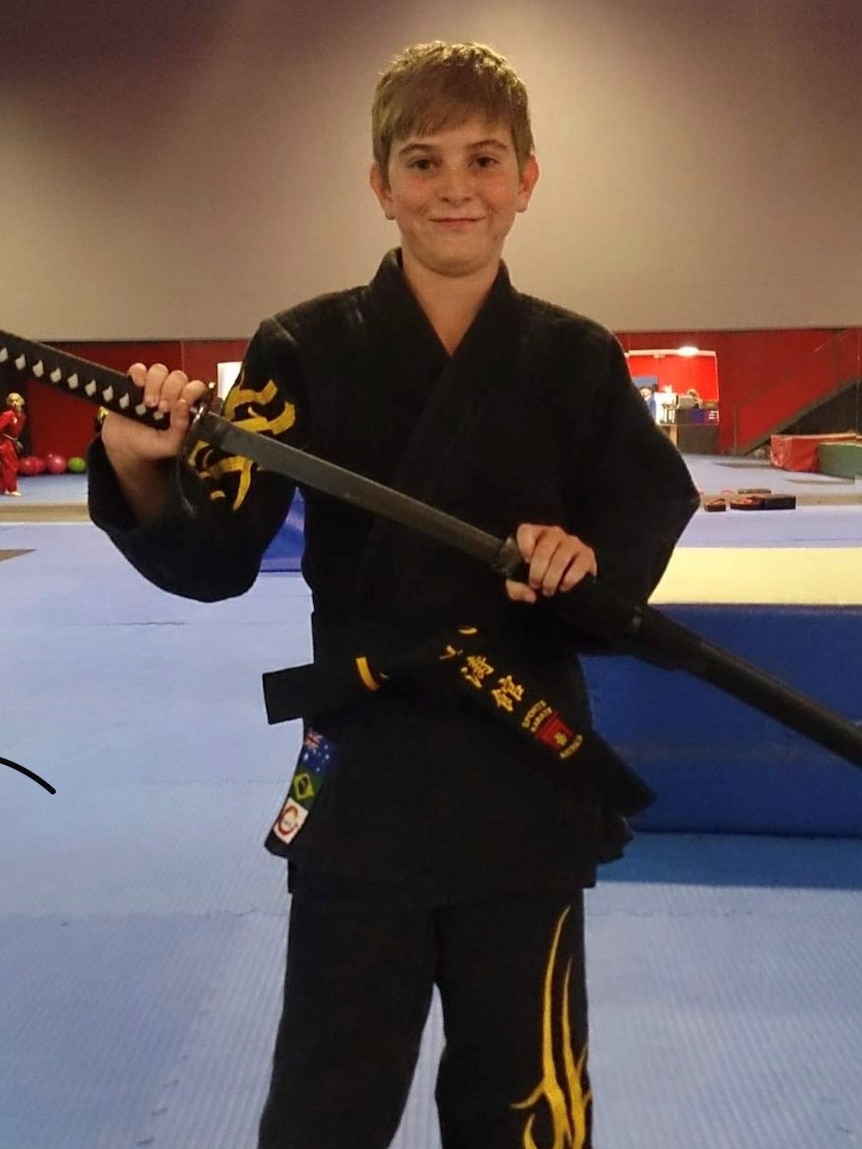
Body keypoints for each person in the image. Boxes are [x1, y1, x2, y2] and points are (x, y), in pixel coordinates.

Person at [88, 41, 699, 1149]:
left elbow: (634, 530)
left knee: (525, 1098)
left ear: (527, 179)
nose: (454, 188)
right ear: (380, 184)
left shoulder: (574, 356)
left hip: (525, 760)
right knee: (332, 1088)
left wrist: (580, 562)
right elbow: (219, 556)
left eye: (483, 159)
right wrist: (140, 464)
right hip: (367, 761)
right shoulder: (302, 347)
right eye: (422, 162)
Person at [0, 392, 27, 496]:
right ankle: (12, 489)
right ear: (8, 402)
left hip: (11, 441)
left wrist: (16, 441)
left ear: (21, 401)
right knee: (11, 465)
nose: (14, 403)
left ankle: (2, 488)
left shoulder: (21, 415)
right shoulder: (7, 415)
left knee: (4, 467)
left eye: (16, 400)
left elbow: (15, 431)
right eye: (12, 401)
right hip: (4, 443)